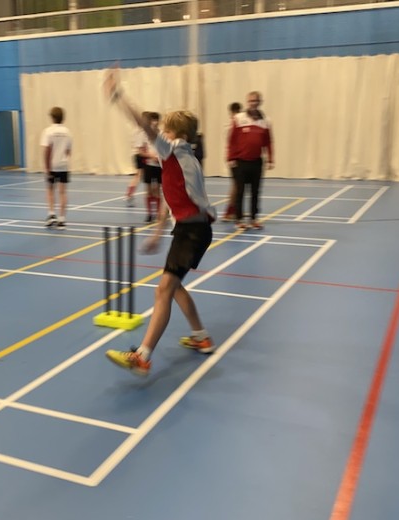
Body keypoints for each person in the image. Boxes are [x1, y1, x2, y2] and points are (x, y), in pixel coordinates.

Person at [103, 67, 216, 377]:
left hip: (192, 232)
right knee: (175, 287)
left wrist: (118, 95)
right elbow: (172, 199)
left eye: (162, 129)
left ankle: (142, 355)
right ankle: (201, 336)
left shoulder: (175, 149)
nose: (158, 132)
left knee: (163, 290)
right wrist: (157, 233)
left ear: (172, 133)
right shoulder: (183, 157)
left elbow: (142, 122)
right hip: (191, 229)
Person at [227, 92, 274, 230]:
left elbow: (268, 141)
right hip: (241, 162)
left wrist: (270, 158)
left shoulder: (265, 121)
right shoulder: (239, 118)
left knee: (255, 192)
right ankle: (239, 219)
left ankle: (254, 219)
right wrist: (231, 157)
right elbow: (232, 140)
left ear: (260, 102)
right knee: (240, 191)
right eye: (251, 100)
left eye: (256, 101)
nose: (253, 103)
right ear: (248, 102)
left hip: (257, 162)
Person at [40, 106, 72, 229]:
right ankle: (62, 219)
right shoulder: (68, 132)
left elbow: (47, 151)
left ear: (52, 118)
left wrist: (47, 167)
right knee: (63, 192)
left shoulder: (48, 131)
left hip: (52, 165)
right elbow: (69, 151)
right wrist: (66, 163)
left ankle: (51, 214)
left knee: (50, 190)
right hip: (63, 165)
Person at [141, 112, 163, 222]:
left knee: (157, 189)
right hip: (149, 165)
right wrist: (150, 155)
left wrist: (160, 158)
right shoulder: (144, 135)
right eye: (153, 120)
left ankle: (159, 213)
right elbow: (140, 151)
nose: (155, 122)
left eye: (156, 119)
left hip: (159, 166)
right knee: (149, 190)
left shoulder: (162, 134)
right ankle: (149, 213)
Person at [124, 113, 150, 207]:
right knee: (138, 176)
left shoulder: (139, 130)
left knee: (139, 176)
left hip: (140, 155)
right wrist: (148, 154)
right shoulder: (140, 132)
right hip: (140, 156)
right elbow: (140, 147)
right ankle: (129, 195)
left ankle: (129, 194)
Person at [222, 102, 242, 221]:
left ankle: (235, 209)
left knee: (238, 185)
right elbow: (231, 142)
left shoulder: (240, 123)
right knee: (236, 185)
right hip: (234, 158)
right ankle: (229, 211)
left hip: (240, 157)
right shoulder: (230, 125)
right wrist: (232, 158)